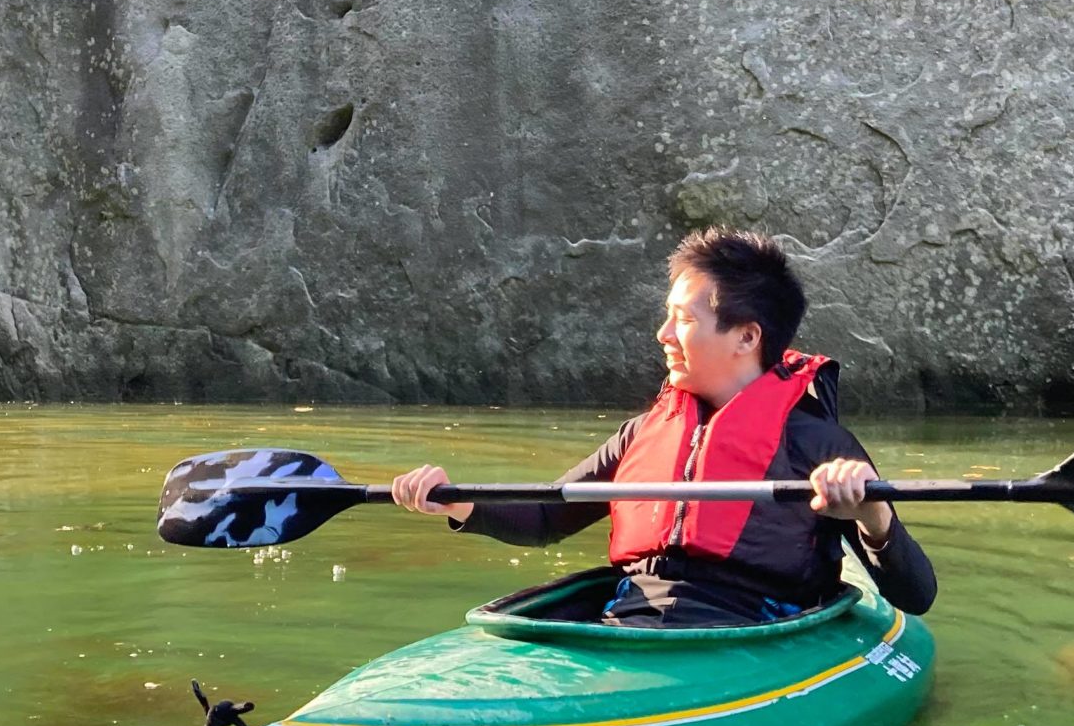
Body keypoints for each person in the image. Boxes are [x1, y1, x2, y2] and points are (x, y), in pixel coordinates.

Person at [391, 228, 935, 627]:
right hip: (633, 620)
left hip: (749, 627)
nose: (663, 334)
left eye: (684, 319)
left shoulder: (818, 444)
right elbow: (544, 517)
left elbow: (915, 594)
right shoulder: (641, 433)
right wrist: (454, 501)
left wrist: (872, 514)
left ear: (747, 337)